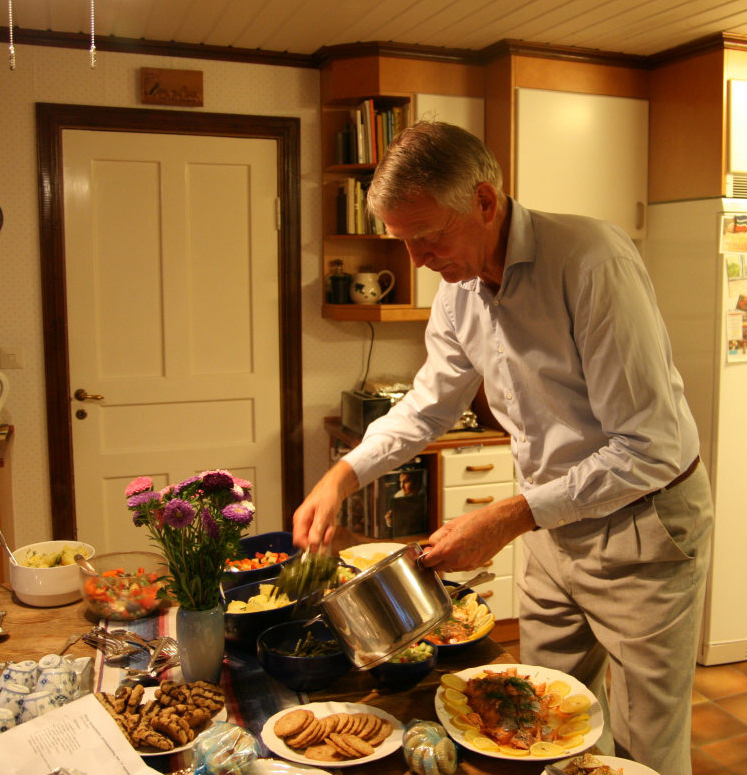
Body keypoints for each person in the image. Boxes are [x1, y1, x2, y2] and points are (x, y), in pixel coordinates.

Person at [293, 121, 713, 775]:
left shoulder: (588, 261)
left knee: (642, 745)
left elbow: (647, 446)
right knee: (535, 716)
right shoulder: (458, 292)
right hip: (552, 526)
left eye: (426, 237)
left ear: (484, 201)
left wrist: (508, 516)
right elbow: (428, 405)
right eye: (403, 242)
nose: (417, 261)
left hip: (644, 526)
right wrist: (342, 475)